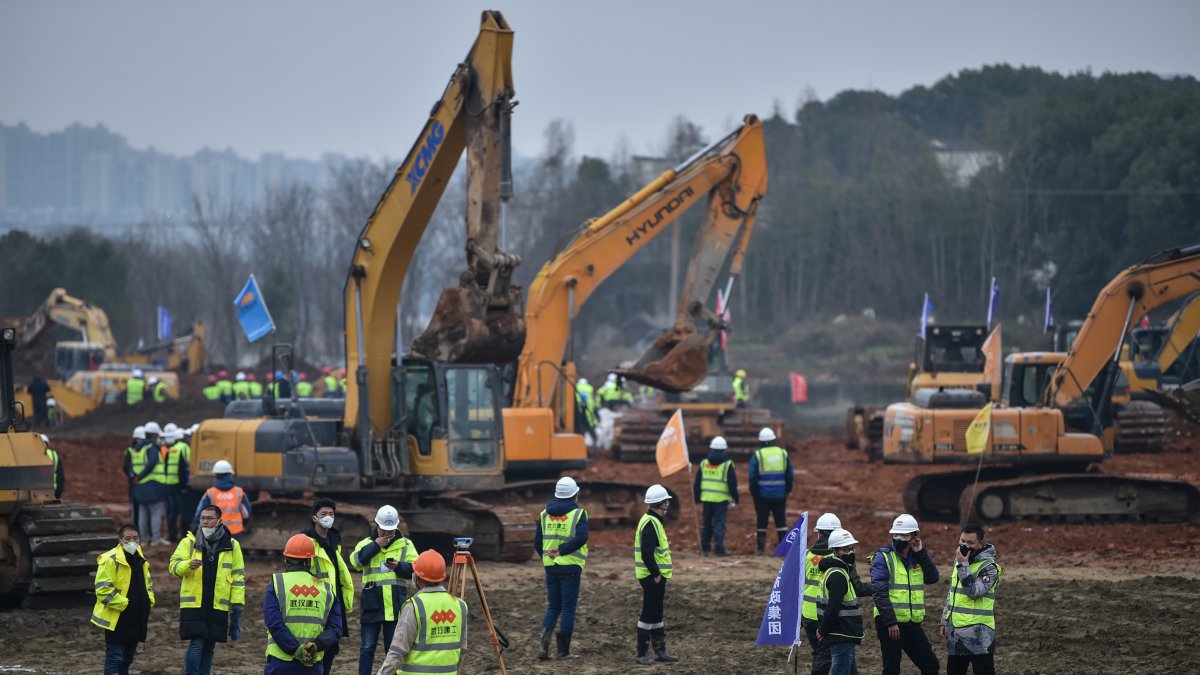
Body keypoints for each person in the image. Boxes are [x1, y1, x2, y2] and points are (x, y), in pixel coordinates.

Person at [169, 504, 246, 675]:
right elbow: (173, 567)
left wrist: (238, 604)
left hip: (218, 604)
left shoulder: (233, 545)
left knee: (210, 645)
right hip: (194, 603)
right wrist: (187, 565)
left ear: (219, 521)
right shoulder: (188, 542)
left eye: (209, 518)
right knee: (197, 643)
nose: (204, 521)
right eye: (202, 518)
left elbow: (238, 577)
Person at [375, 549, 467, 674]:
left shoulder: (414, 606)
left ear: (418, 577)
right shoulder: (460, 605)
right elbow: (462, 649)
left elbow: (397, 651)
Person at [350, 505, 418, 675]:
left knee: (393, 650)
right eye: (384, 530)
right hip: (372, 606)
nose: (388, 534)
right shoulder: (365, 544)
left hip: (395, 607)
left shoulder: (405, 545)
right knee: (367, 647)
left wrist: (398, 566)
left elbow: (415, 568)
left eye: (391, 530)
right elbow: (356, 563)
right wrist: (376, 546)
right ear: (377, 526)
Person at [871, 513, 940, 675]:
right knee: (892, 669)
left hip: (912, 623)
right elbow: (879, 592)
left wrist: (921, 553)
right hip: (890, 624)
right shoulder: (883, 557)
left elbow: (932, 578)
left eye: (904, 535)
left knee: (931, 665)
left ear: (914, 537)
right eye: (896, 534)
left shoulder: (917, 558)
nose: (899, 538)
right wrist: (890, 623)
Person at [265, 534, 344, 674]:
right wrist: (316, 645)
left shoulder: (277, 583)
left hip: (281, 661)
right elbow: (335, 629)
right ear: (310, 561)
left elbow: (274, 623)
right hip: (312, 663)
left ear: (286, 559)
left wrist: (296, 649)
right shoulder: (326, 588)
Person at [802, 513, 869, 675]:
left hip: (808, 614)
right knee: (826, 657)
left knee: (821, 655)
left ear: (819, 533)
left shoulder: (806, 555)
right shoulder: (842, 562)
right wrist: (880, 587)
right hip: (830, 617)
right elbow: (858, 588)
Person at [535, 476, 589, 660]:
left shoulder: (544, 514)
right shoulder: (578, 514)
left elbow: (537, 542)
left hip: (550, 568)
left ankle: (543, 648)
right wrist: (562, 551)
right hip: (571, 568)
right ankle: (563, 652)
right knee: (568, 609)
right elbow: (581, 538)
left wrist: (547, 558)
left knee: (553, 607)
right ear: (575, 495)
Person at [93, 523, 155, 675]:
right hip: (117, 618)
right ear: (120, 540)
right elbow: (102, 590)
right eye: (128, 538)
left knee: (127, 659)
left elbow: (148, 584)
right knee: (115, 658)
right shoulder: (110, 559)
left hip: (136, 618)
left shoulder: (140, 559)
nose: (132, 542)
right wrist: (125, 604)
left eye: (135, 538)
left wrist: (148, 601)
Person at [941, 523, 1002, 675]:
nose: (965, 546)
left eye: (970, 543)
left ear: (981, 543)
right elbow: (952, 594)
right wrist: (945, 620)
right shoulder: (959, 562)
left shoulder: (989, 568)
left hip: (979, 635)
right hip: (957, 632)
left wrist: (963, 566)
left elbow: (974, 592)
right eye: (962, 541)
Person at [303, 498, 355, 674]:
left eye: (331, 514)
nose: (328, 517)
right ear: (314, 518)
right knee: (316, 646)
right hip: (316, 602)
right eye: (323, 514)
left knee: (331, 647)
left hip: (334, 601)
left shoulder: (333, 540)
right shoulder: (306, 541)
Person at [633, 484, 680, 665]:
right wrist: (656, 574)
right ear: (662, 504)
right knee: (649, 613)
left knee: (657, 613)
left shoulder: (652, 520)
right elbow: (647, 553)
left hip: (655, 575)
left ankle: (660, 651)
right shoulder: (651, 523)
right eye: (667, 501)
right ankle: (641, 653)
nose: (668, 503)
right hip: (651, 576)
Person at [815, 528, 864, 675]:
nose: (850, 553)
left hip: (842, 633)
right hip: (842, 633)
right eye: (845, 550)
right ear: (835, 551)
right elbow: (833, 607)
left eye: (851, 549)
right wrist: (823, 630)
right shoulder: (838, 575)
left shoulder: (837, 571)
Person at [749, 427, 793, 555]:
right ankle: (783, 550)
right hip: (780, 494)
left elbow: (752, 476)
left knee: (762, 522)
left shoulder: (758, 455)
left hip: (762, 496)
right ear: (774, 440)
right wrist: (787, 489)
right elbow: (789, 474)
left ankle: (761, 550)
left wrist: (754, 492)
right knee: (781, 522)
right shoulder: (783, 453)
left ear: (761, 441)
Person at [693, 436, 737, 556]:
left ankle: (704, 549)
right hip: (721, 499)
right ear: (724, 449)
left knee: (706, 524)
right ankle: (719, 549)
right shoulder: (728, 464)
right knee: (719, 524)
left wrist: (697, 497)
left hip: (706, 498)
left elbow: (697, 482)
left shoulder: (704, 463)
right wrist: (735, 498)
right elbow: (732, 483)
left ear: (711, 448)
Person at [193, 460, 251, 540]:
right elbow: (246, 514)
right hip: (235, 532)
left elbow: (199, 514)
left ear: (216, 476)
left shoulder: (210, 493)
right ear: (230, 474)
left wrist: (196, 530)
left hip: (215, 532)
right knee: (233, 552)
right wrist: (244, 523)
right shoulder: (239, 492)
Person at [133, 421, 169, 546]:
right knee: (156, 512)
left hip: (140, 486)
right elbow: (152, 463)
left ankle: (144, 539)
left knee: (143, 512)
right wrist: (142, 475)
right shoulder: (152, 448)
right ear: (154, 435)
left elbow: (130, 467)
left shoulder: (137, 449)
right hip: (153, 485)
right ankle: (156, 539)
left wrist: (136, 477)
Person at [158, 423, 190, 542]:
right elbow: (185, 467)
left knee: (172, 511)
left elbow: (166, 467)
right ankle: (184, 536)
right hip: (180, 486)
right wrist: (184, 485)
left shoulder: (171, 450)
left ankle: (172, 535)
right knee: (183, 511)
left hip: (169, 484)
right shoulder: (184, 448)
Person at [124, 426, 148, 522]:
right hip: (140, 482)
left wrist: (131, 476)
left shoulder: (131, 450)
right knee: (140, 507)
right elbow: (126, 467)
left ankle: (138, 527)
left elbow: (125, 467)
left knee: (138, 506)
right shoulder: (141, 450)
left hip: (135, 482)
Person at [40, 433, 64, 499]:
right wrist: (58, 493)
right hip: (53, 490)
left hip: (37, 492)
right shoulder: (54, 455)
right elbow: (60, 477)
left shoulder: (32, 455)